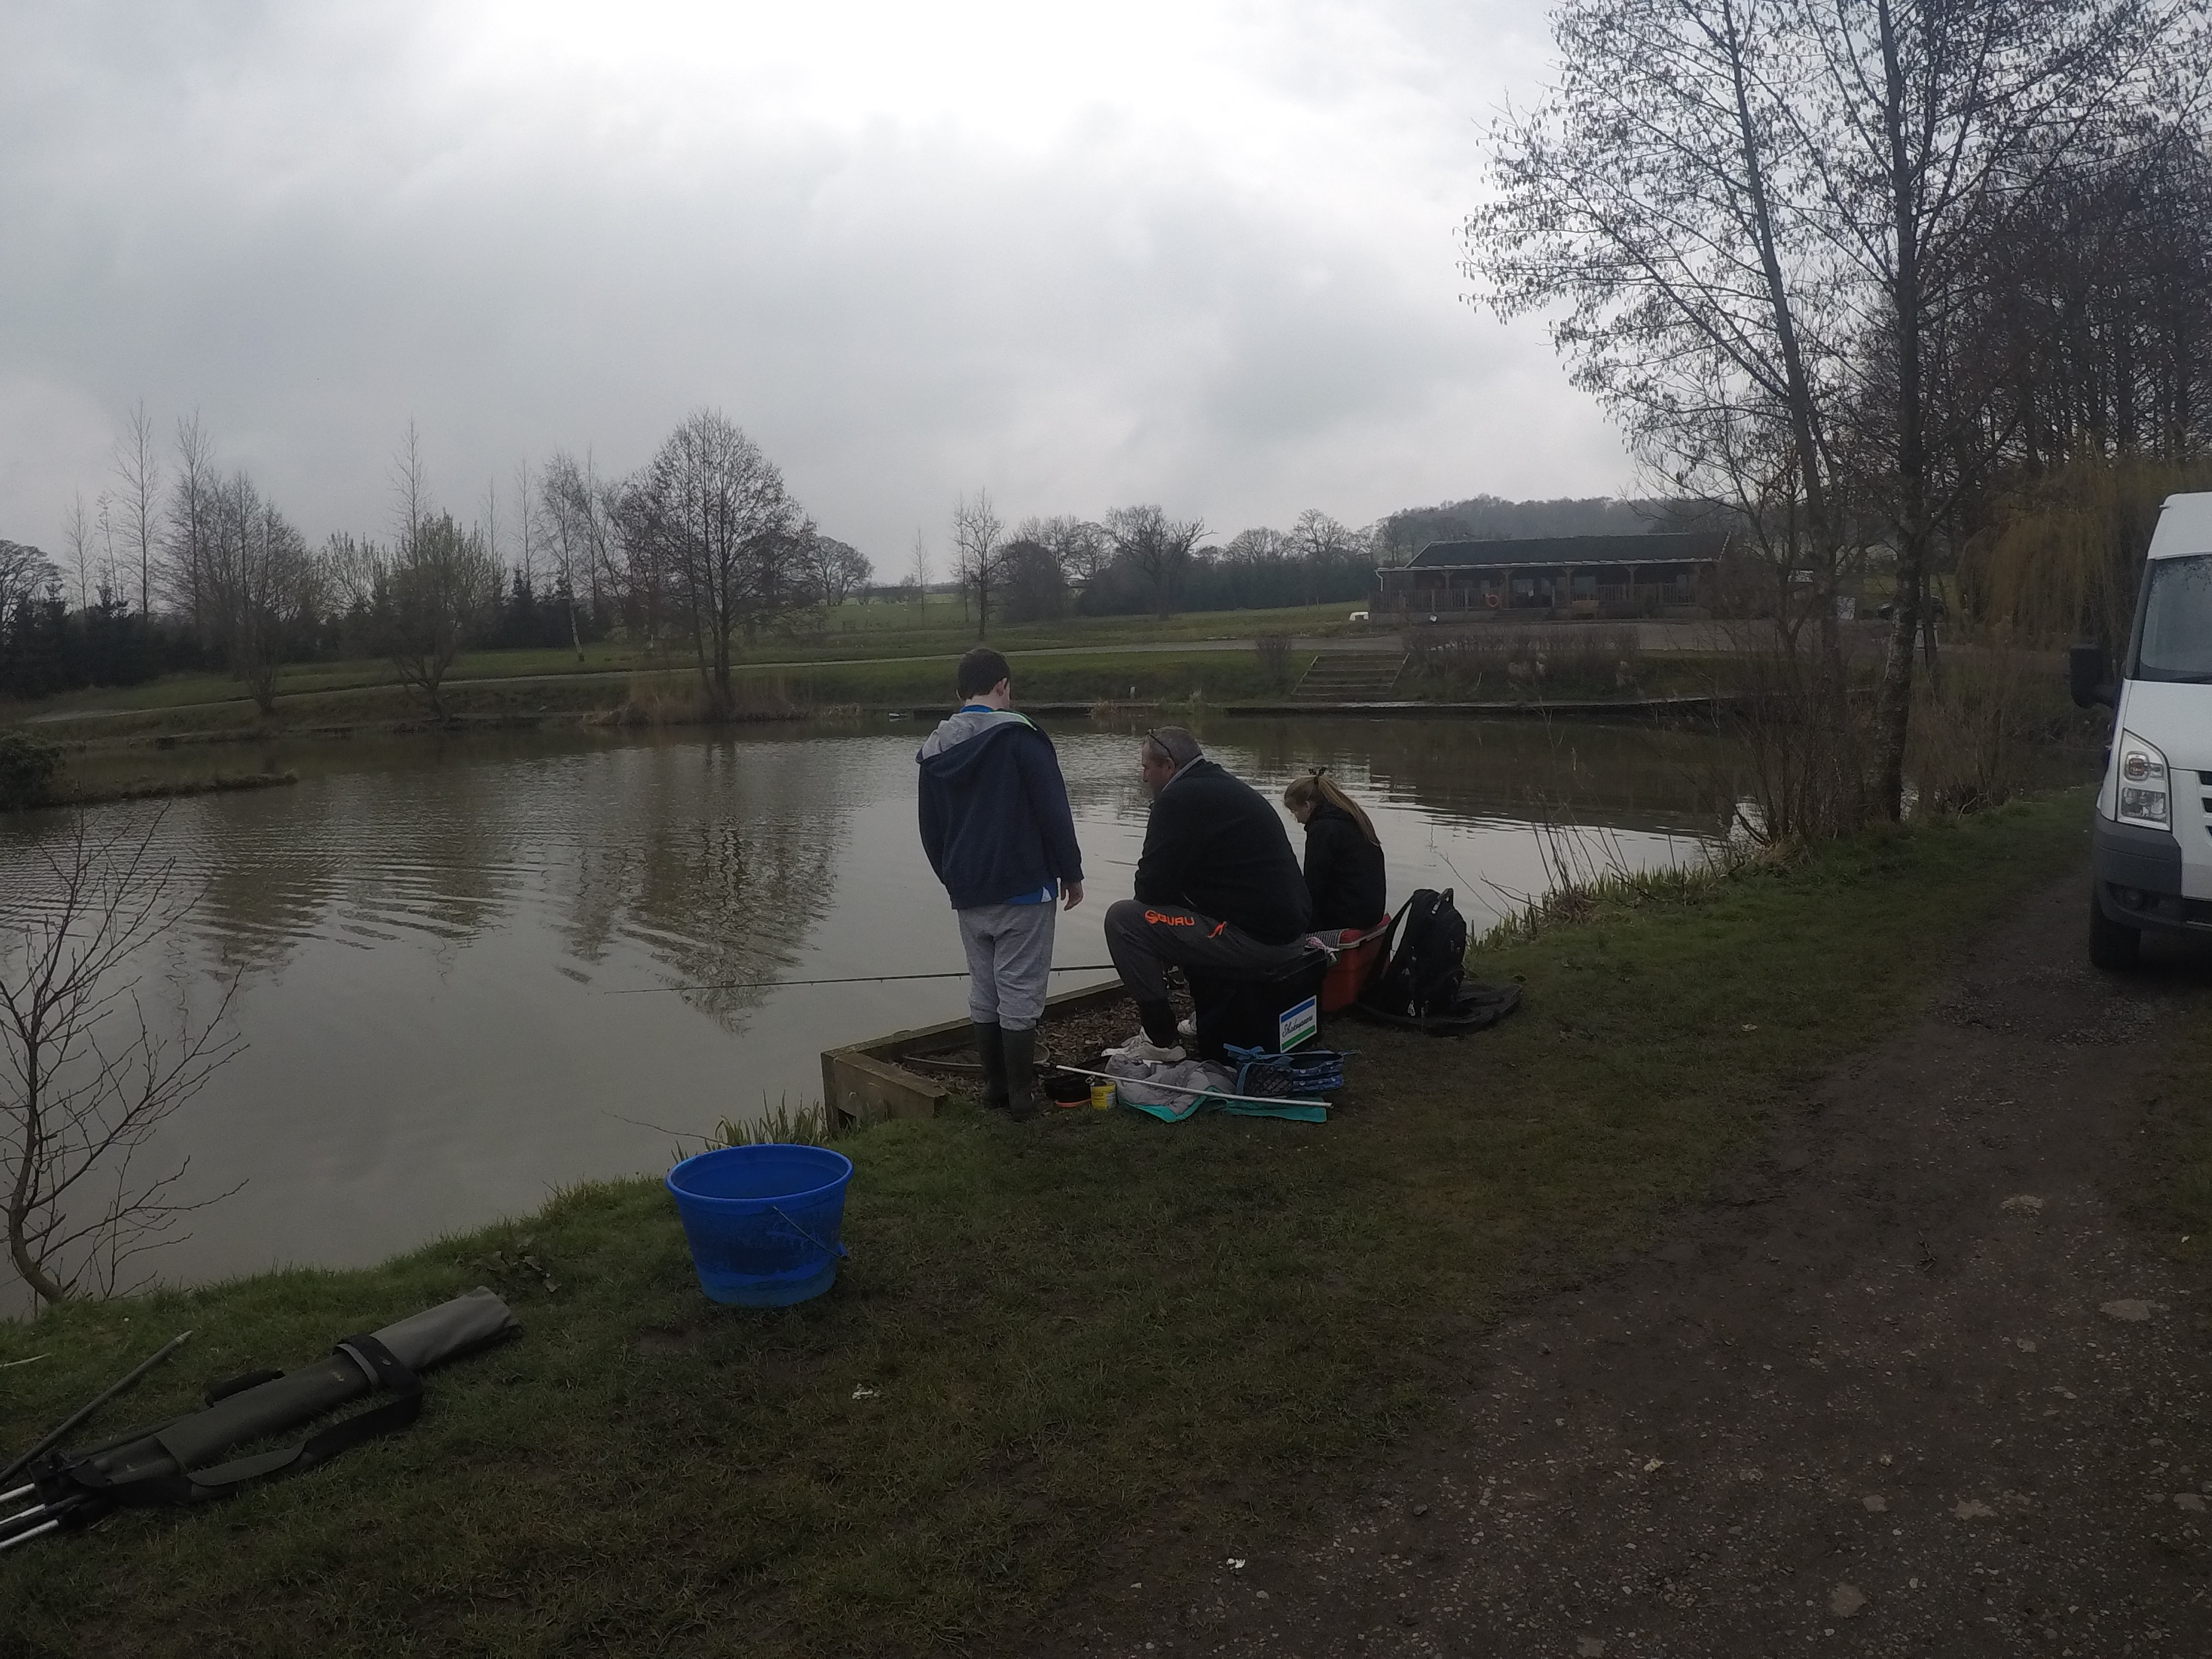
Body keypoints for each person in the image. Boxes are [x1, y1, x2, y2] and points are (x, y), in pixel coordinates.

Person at [917, 646, 1084, 1120]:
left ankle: (993, 1088)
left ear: (960, 692)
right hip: (1025, 886)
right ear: (1003, 685)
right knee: (1020, 988)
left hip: (968, 889)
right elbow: (1054, 811)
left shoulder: (935, 751)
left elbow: (930, 830)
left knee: (985, 987)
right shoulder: (1022, 738)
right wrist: (1071, 872)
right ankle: (1021, 1097)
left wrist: (953, 877)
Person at [1103, 727, 1333, 1062]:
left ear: (1169, 766)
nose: (1143, 778)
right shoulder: (1226, 786)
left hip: (1261, 943)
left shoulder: (1177, 800)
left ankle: (1160, 1040)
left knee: (1125, 921)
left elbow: (1149, 890)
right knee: (1179, 912)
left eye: (1146, 768)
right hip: (1292, 934)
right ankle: (1211, 1014)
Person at [1282, 771, 1387, 934]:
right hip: (1371, 912)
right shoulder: (1351, 817)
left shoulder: (1323, 829)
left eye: (1295, 810)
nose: (1295, 817)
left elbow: (1314, 884)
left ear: (1308, 806)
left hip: (1349, 916)